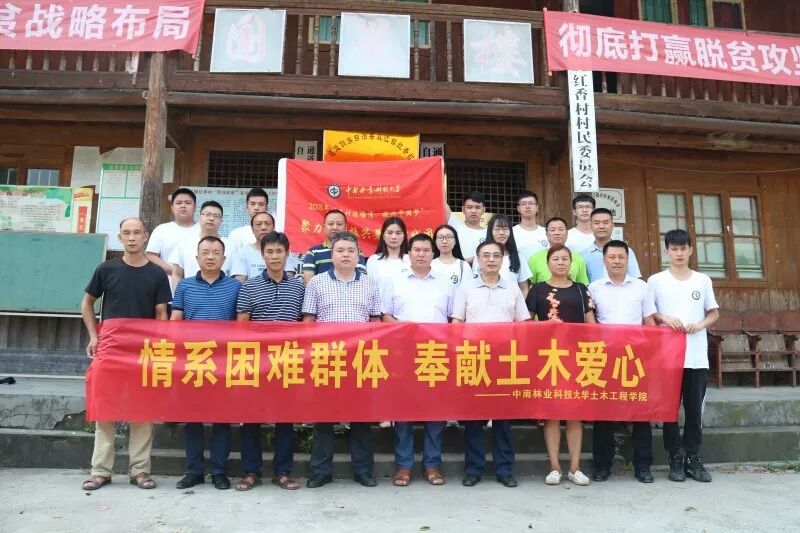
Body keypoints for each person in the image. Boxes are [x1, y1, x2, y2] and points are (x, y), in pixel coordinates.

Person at [80, 217, 171, 491]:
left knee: (142, 411)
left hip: (143, 351)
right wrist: (94, 335)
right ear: (120, 237)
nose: (132, 237)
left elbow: (161, 314)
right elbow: (87, 302)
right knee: (105, 409)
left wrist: (159, 347)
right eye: (126, 233)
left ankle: (140, 471)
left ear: (145, 236)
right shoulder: (106, 269)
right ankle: (100, 471)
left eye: (137, 232)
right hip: (111, 349)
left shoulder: (157, 274)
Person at [302, 231, 382, 488]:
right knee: (323, 418)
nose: (345, 255)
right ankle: (320, 471)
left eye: (350, 250)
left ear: (358, 255)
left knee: (361, 418)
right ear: (331, 255)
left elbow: (375, 321)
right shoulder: (316, 283)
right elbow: (308, 321)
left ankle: (363, 470)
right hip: (326, 359)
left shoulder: (370, 283)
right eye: (340, 250)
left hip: (359, 359)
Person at [451, 241, 530, 488]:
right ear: (477, 259)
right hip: (474, 358)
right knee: (473, 417)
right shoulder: (466, 288)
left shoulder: (512, 289)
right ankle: (473, 469)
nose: (491, 260)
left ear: (503, 260)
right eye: (486, 255)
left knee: (503, 417)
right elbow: (457, 323)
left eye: (496, 255)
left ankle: (504, 469)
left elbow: (523, 324)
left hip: (505, 359)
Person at [382, 234, 455, 487]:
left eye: (426, 250)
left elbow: (453, 318)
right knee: (403, 409)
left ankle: (432, 464)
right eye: (417, 250)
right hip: (403, 353)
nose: (421, 254)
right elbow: (385, 315)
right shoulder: (395, 280)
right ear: (409, 253)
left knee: (436, 409)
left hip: (436, 353)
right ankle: (404, 465)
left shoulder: (445, 282)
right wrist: (405, 332)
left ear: (433, 254)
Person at [235, 231, 305, 492]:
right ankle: (251, 472)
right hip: (256, 363)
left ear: (288, 254)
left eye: (279, 252)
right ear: (262, 255)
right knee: (251, 419)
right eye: (269, 252)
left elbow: (303, 324)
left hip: (288, 362)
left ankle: (283, 472)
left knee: (285, 419)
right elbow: (242, 325)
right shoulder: (249, 286)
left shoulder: (298, 287)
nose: (275, 257)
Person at [648, 229, 719, 483]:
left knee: (693, 410)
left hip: (696, 356)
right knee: (669, 410)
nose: (679, 253)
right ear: (666, 251)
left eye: (683, 249)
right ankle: (674, 458)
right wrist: (665, 318)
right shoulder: (656, 281)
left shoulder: (702, 280)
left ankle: (693, 458)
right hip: (667, 357)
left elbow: (713, 312)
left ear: (691, 250)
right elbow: (649, 314)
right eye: (674, 249)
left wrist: (700, 325)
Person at [170, 236, 241, 491]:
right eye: (205, 252)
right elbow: (175, 321)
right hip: (193, 361)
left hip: (223, 362)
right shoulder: (185, 286)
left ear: (224, 258)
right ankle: (195, 471)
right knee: (193, 419)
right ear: (197, 257)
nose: (210, 257)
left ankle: (220, 472)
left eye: (215, 252)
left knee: (222, 419)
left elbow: (242, 324)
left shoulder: (235, 287)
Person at [526, 244, 595, 487]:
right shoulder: (537, 290)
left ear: (571, 263)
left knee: (575, 414)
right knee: (552, 414)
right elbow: (525, 323)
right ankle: (554, 467)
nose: (561, 263)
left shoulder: (581, 289)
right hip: (548, 358)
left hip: (577, 357)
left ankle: (575, 468)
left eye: (565, 259)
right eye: (556, 259)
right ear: (548, 263)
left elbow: (590, 322)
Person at [589, 240, 657, 484]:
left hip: (634, 357)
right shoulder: (594, 288)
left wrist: (653, 353)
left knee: (640, 413)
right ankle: (602, 465)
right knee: (603, 413)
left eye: (621, 257)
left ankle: (643, 466)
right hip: (605, 357)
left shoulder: (641, 287)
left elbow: (649, 321)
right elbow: (590, 324)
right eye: (612, 257)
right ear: (604, 260)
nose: (616, 261)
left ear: (628, 260)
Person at [169, 201, 231, 286]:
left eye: (216, 216)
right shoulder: (185, 243)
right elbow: (177, 274)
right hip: (190, 292)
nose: (211, 218)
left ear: (221, 221)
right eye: (207, 214)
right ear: (199, 217)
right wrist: (178, 294)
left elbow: (235, 275)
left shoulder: (230, 245)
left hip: (222, 293)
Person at [145, 187, 199, 285]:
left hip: (197, 285)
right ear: (172, 207)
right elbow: (150, 255)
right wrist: (175, 271)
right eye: (179, 203)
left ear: (195, 207)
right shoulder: (162, 229)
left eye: (188, 203)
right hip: (166, 285)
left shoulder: (203, 230)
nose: (183, 206)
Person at [471, 213, 531, 298]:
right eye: (497, 229)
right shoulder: (481, 255)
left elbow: (524, 288)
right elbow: (474, 282)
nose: (501, 233)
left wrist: (518, 305)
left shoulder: (519, 257)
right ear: (490, 231)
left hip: (511, 304)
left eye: (505, 229)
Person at [302, 209, 367, 284]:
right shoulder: (313, 252)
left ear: (345, 228)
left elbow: (361, 280)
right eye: (330, 224)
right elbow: (309, 283)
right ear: (324, 227)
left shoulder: (355, 251)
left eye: (339, 224)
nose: (335, 227)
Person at [231, 212, 299, 281]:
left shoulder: (283, 251)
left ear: (274, 227)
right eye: (258, 224)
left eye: (267, 224)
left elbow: (289, 278)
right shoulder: (242, 253)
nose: (263, 228)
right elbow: (240, 281)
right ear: (252, 229)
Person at [581, 208, 641, 283]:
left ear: (612, 225)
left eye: (605, 223)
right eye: (597, 223)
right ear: (590, 226)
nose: (601, 226)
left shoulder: (626, 251)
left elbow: (635, 279)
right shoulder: (583, 254)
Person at [528, 217, 589, 285]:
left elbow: (583, 286)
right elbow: (530, 286)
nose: (557, 233)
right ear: (546, 234)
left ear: (567, 233)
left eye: (561, 229)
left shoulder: (578, 258)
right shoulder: (535, 259)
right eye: (552, 230)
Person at [366, 216, 410, 296]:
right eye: (390, 233)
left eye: (398, 233)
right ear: (383, 235)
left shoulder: (411, 260)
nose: (394, 237)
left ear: (404, 236)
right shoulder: (373, 260)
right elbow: (368, 289)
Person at [444, 190, 487, 262]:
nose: (473, 211)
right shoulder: (456, 226)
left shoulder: (490, 233)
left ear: (483, 210)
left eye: (477, 207)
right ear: (463, 209)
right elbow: (442, 202)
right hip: (460, 269)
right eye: (469, 207)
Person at [226, 187, 270, 254]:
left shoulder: (274, 233)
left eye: (261, 204)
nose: (256, 208)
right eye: (252, 204)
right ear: (246, 207)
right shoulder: (236, 234)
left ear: (266, 208)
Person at [512, 191, 548, 260]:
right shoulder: (511, 232)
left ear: (537, 207)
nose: (527, 206)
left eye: (531, 203)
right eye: (523, 204)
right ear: (518, 208)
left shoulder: (546, 232)